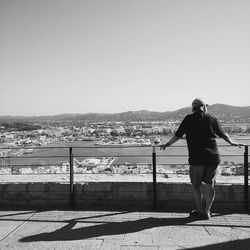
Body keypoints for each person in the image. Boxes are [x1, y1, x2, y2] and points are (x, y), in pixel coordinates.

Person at [160, 98, 242, 219]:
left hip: (196, 158)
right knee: (210, 185)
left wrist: (167, 144)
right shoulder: (212, 118)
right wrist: (231, 142)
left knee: (196, 185)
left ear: (193, 108)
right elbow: (223, 134)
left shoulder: (188, 119)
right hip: (212, 158)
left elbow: (178, 135)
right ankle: (207, 211)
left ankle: (199, 210)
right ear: (204, 107)